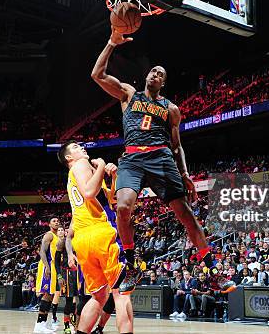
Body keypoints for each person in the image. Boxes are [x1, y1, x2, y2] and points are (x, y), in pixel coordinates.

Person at [91, 29, 235, 294]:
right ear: (146, 76)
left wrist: (185, 173)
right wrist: (112, 42)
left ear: (163, 83)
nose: (155, 74)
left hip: (161, 156)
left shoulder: (171, 109)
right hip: (132, 157)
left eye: (161, 74)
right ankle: (133, 265)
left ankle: (213, 270)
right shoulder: (128, 94)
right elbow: (97, 75)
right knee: (122, 208)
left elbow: (178, 145)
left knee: (186, 214)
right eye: (153, 71)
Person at [58, 142, 134, 334]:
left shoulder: (82, 171)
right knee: (121, 292)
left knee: (99, 296)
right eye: (75, 146)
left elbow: (113, 200)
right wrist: (101, 165)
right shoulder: (81, 165)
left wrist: (114, 176)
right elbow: (89, 192)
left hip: (83, 240)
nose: (81, 147)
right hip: (100, 233)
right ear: (69, 157)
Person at [34, 217, 61, 334]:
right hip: (47, 266)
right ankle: (39, 324)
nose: (57, 222)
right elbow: (42, 252)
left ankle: (43, 323)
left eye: (57, 221)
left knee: (50, 295)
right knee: (47, 295)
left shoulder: (57, 237)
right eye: (54, 221)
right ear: (49, 224)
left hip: (54, 266)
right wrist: (47, 267)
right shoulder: (49, 235)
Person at [55, 226, 78, 334]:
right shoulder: (61, 243)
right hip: (67, 273)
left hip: (80, 272)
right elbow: (56, 262)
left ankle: (76, 322)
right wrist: (59, 276)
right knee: (69, 300)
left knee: (81, 300)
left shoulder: (79, 240)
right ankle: (66, 325)